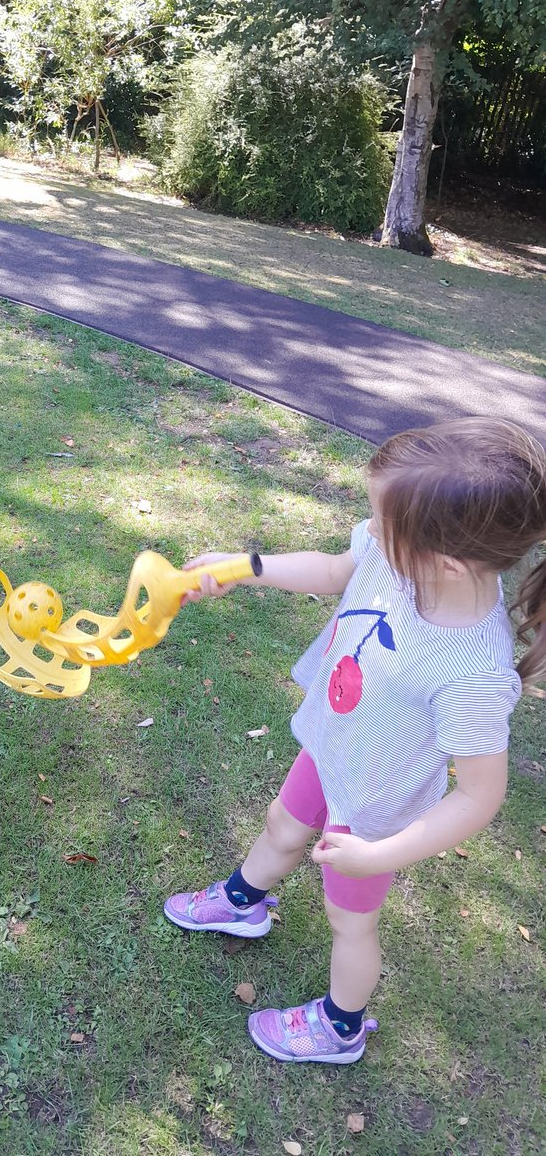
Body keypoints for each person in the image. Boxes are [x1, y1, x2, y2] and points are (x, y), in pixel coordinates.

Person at [164, 417, 546, 1064]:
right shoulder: (395, 554)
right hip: (332, 743)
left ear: (447, 562)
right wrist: (249, 567)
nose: (370, 528)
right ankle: (242, 902)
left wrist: (382, 852)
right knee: (283, 822)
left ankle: (340, 1026)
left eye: (381, 520)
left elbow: (480, 796)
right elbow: (338, 568)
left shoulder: (473, 674)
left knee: (351, 922)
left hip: (375, 808)